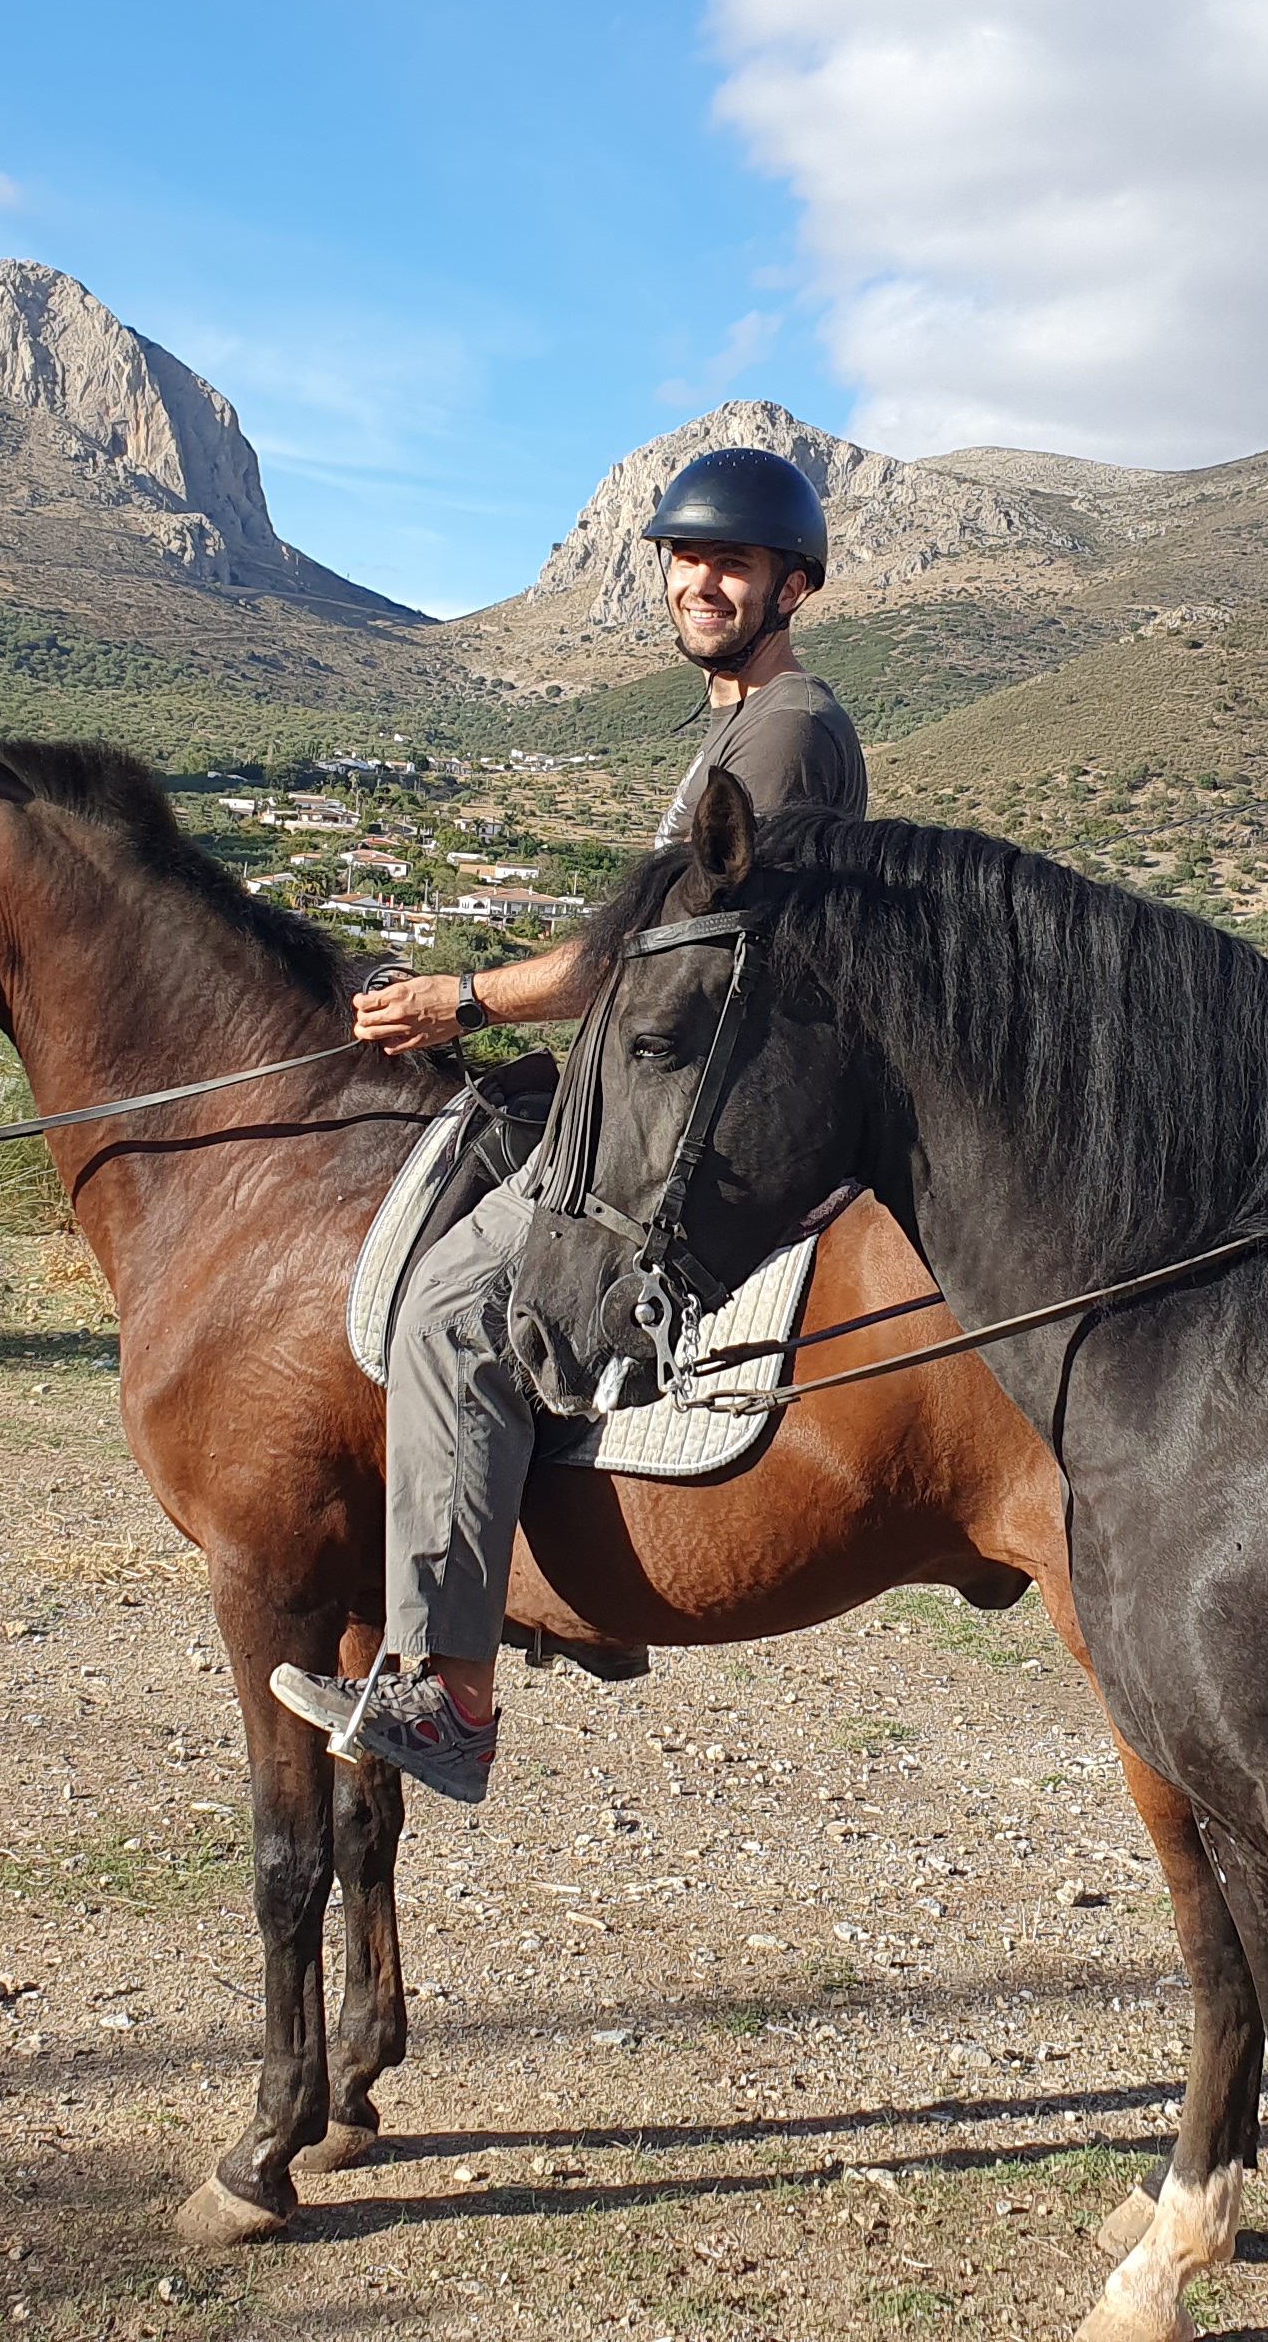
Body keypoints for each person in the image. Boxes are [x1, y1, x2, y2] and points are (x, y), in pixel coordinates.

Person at [269, 446, 867, 1803]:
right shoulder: (733, 730)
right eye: (687, 559)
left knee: (452, 1314)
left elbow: (663, 957)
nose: (703, 581)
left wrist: (462, 1000)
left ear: (794, 585)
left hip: (694, 1107)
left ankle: (450, 1695)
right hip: (655, 1076)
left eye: (734, 563)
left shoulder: (786, 729)